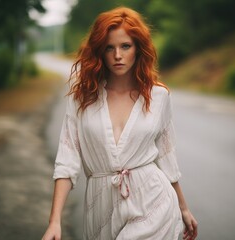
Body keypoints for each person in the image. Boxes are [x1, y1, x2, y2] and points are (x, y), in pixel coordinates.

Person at [42, 6, 198, 240]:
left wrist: (183, 208)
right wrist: (54, 222)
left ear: (138, 49)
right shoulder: (82, 100)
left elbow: (166, 156)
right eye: (109, 48)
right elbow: (67, 161)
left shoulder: (158, 96)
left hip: (153, 202)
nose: (117, 55)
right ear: (99, 52)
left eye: (125, 46)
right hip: (100, 207)